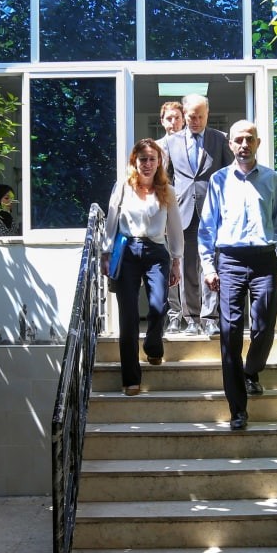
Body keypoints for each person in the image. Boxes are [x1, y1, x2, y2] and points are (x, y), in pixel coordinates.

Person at [197, 120, 277, 431]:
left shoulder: (271, 179)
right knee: (230, 333)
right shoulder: (219, 180)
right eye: (238, 140)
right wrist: (209, 266)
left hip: (264, 260)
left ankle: (251, 370)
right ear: (230, 145)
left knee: (264, 325)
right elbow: (207, 228)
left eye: (249, 139)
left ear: (258, 142)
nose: (243, 145)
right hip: (230, 261)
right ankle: (237, 409)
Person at [100, 138, 183, 396]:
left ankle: (153, 346)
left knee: (159, 305)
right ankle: (131, 378)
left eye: (152, 159)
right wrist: (105, 253)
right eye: (143, 159)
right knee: (128, 316)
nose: (147, 164)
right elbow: (112, 220)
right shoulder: (123, 187)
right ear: (134, 162)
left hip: (156, 252)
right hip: (127, 252)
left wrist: (177, 260)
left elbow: (175, 228)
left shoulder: (167, 191)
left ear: (159, 163)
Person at [160, 93, 234, 336]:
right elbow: (166, 178)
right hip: (183, 212)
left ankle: (210, 318)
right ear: (185, 114)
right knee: (187, 268)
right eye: (192, 117)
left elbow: (230, 175)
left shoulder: (220, 139)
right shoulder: (171, 142)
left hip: (214, 212)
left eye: (201, 116)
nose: (196, 121)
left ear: (207, 114)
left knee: (211, 266)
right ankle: (191, 318)